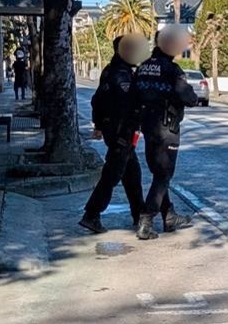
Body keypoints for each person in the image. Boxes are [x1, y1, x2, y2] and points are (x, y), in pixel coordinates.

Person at [79, 32, 149, 236]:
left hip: (119, 131)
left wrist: (99, 125)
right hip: (121, 131)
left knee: (132, 173)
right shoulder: (121, 75)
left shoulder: (113, 70)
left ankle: (139, 213)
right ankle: (91, 214)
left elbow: (97, 100)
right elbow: (129, 102)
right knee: (112, 173)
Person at [135, 25, 199, 240]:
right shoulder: (172, 71)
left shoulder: (143, 67)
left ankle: (169, 216)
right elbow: (189, 98)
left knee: (158, 174)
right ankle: (146, 218)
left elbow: (133, 95)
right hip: (167, 129)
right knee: (164, 175)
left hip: (147, 128)